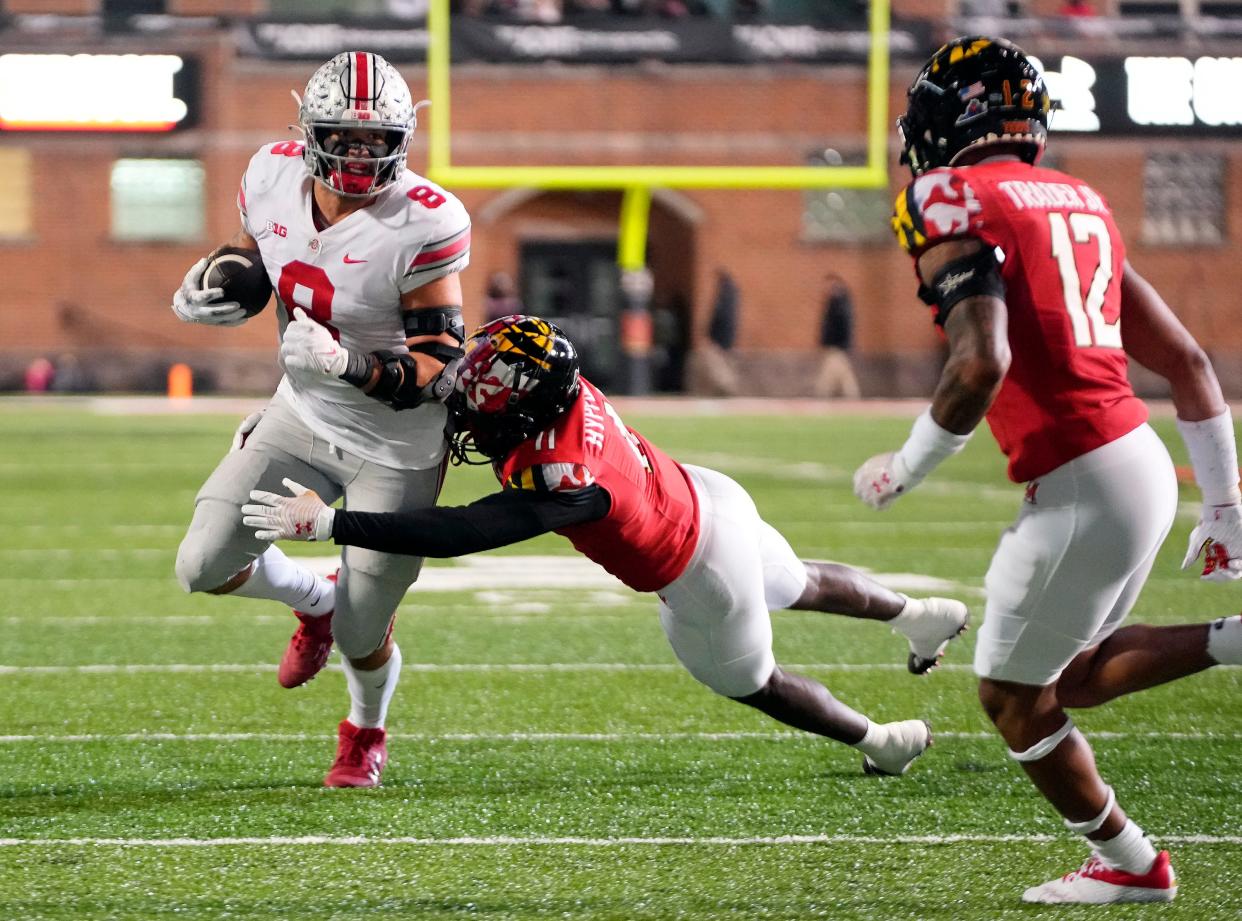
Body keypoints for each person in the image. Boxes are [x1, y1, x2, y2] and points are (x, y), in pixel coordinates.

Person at [853, 36, 1242, 904]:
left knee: (1011, 697)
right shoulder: (1081, 200)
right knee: (1068, 676)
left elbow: (978, 363)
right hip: (1133, 460)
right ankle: (1230, 643)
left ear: (949, 120)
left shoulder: (948, 196)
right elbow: (1187, 363)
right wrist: (1224, 503)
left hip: (1082, 476)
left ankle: (1134, 864)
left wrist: (904, 467)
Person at [242, 315, 971, 777]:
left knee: (755, 679)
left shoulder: (565, 474)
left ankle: (883, 740)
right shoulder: (551, 380)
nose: (465, 407)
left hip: (697, 572)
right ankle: (916, 614)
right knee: (798, 579)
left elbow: (464, 530)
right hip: (710, 497)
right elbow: (461, 387)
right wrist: (328, 382)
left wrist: (336, 526)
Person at [171, 51, 472, 788]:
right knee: (200, 565)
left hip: (395, 446)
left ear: (403, 140)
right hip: (301, 415)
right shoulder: (268, 173)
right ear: (310, 133)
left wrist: (350, 364)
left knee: (367, 629)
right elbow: (259, 256)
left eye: (378, 140)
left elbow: (440, 366)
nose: (362, 154)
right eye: (347, 136)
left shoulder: (423, 222)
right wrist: (214, 279)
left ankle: (365, 728)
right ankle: (314, 599)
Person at [812, 274, 862, 399]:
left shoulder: (840, 304)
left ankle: (822, 395)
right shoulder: (836, 302)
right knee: (843, 373)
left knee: (830, 373)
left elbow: (843, 326)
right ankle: (851, 395)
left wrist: (838, 342)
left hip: (837, 345)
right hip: (836, 345)